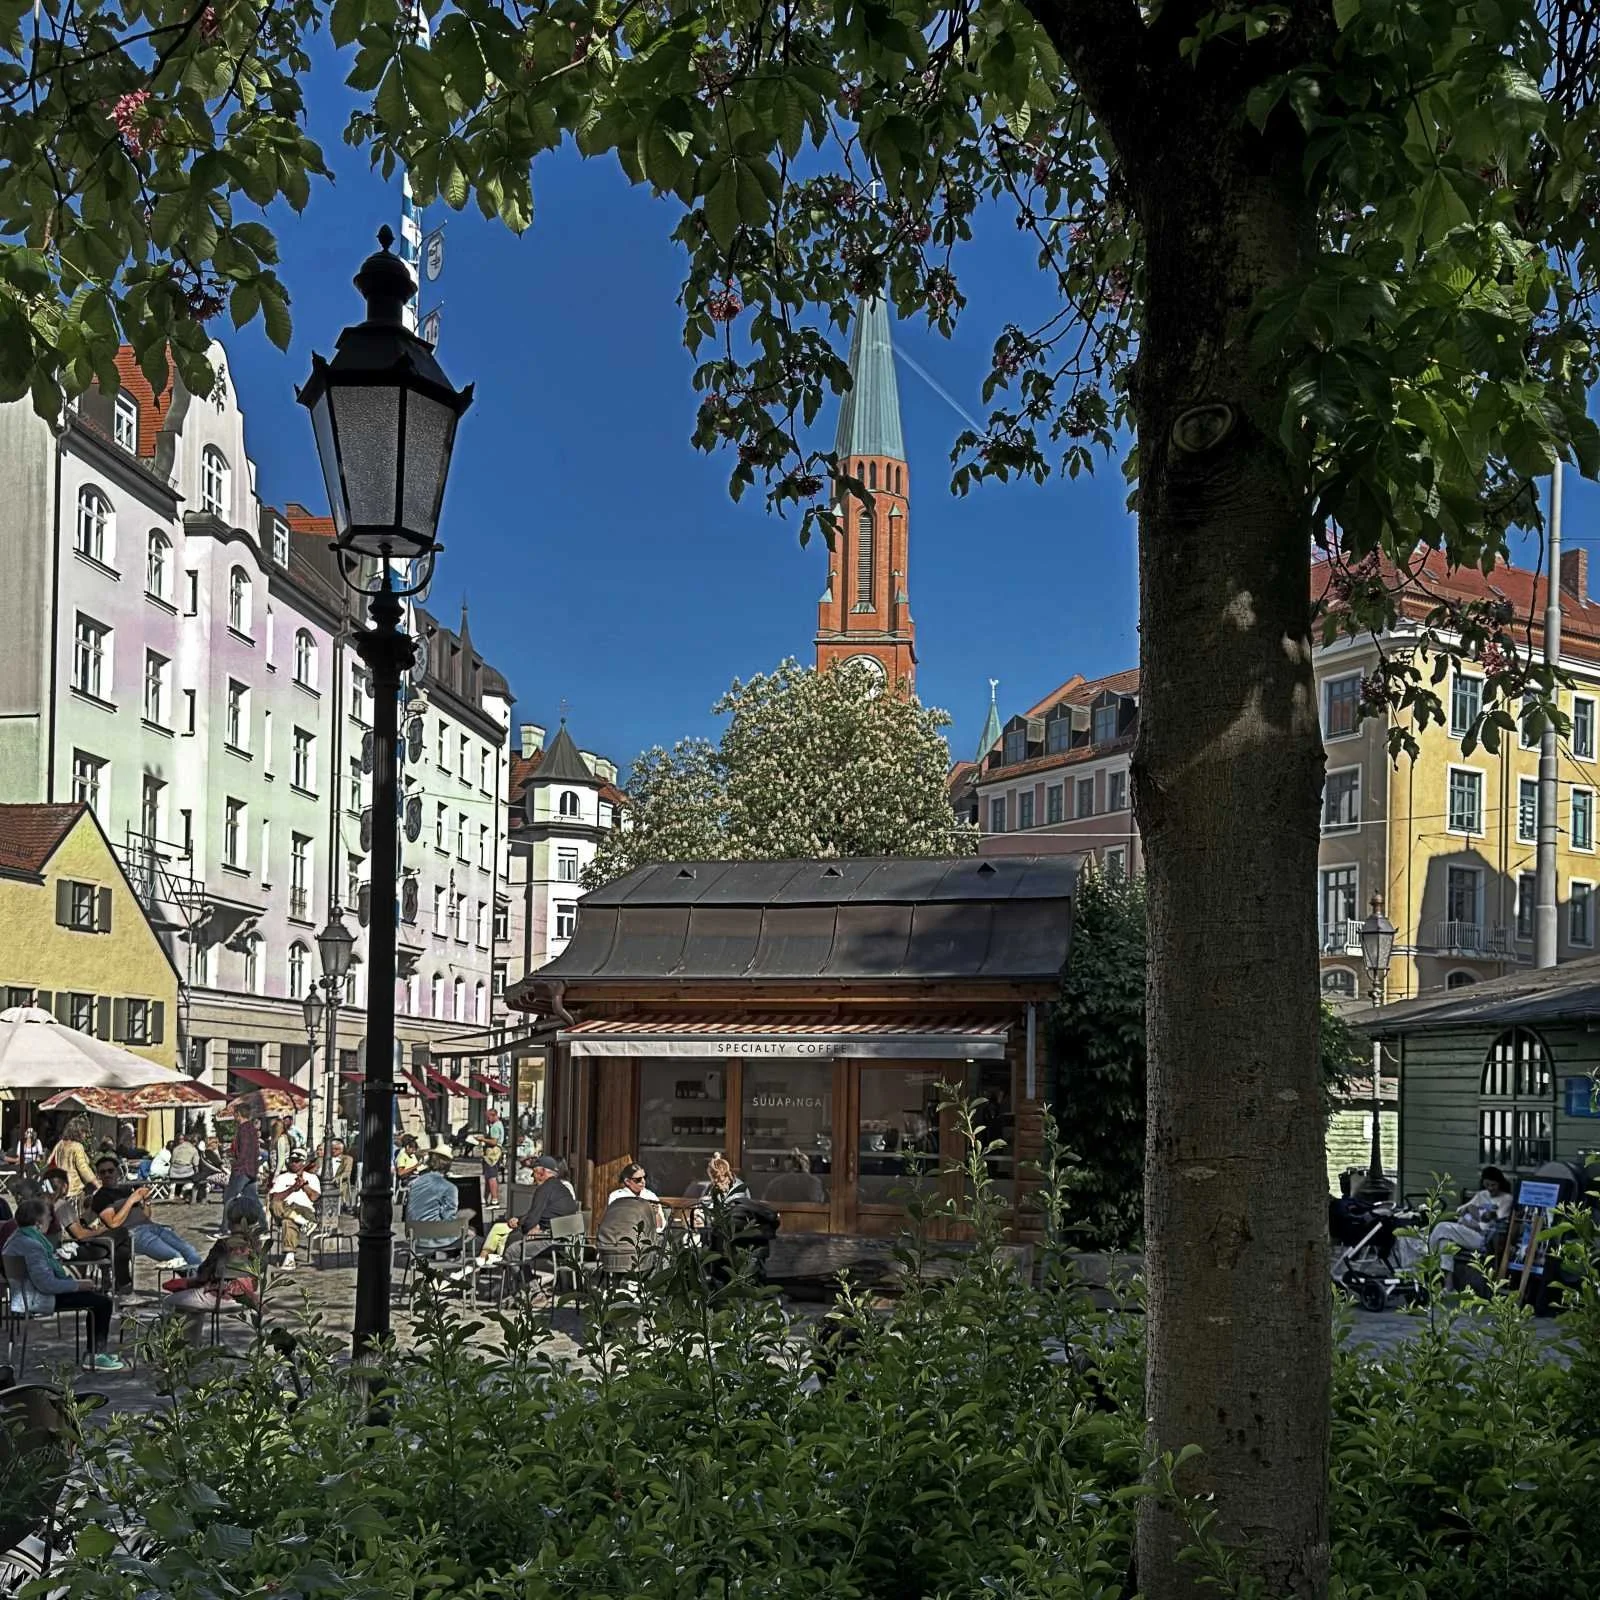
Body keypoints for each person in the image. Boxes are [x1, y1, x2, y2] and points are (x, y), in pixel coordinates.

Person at [3, 1197, 123, 1371]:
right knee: (102, 1302)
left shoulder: (16, 1239)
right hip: (37, 1298)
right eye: (48, 1218)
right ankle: (95, 1355)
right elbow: (47, 1285)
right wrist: (77, 1285)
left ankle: (94, 1353)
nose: (51, 1221)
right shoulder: (32, 1245)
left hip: (24, 1296)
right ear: (38, 1223)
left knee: (95, 1298)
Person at [88, 1155, 201, 1275]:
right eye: (103, 1172)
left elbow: (146, 1216)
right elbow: (113, 1223)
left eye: (110, 1171)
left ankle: (207, 1281)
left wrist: (146, 1201)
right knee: (175, 1257)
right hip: (132, 1233)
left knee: (189, 1250)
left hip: (151, 1227)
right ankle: (196, 1285)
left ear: (117, 1171)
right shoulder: (101, 1197)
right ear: (98, 1175)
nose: (107, 1175)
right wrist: (131, 1200)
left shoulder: (125, 1190)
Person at [164, 1204, 262, 1333]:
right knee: (192, 1300)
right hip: (246, 1298)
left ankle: (183, 1345)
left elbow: (203, 1275)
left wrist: (191, 1282)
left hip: (219, 1297)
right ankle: (191, 1344)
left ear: (231, 1221)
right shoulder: (257, 1245)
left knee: (170, 1301)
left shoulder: (223, 1244)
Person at [1405, 1166, 1515, 1273]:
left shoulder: (1506, 1198)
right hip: (1469, 1231)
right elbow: (1461, 1210)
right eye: (1487, 1184)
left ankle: (1427, 1256)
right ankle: (1448, 1287)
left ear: (1500, 1183)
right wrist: (1470, 1216)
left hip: (1484, 1239)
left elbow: (1493, 1217)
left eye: (1493, 1185)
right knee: (1445, 1244)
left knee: (1442, 1227)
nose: (1490, 1188)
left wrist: (1473, 1216)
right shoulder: (1482, 1195)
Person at [43, 1166, 117, 1280]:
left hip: (49, 1248)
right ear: (64, 1187)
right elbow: (80, 1235)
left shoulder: (40, 1204)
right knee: (114, 1238)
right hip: (65, 1249)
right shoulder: (62, 1205)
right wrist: (101, 1230)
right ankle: (108, 1281)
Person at [404, 1138, 467, 1262]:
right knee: (472, 1235)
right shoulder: (449, 1188)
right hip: (434, 1238)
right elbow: (448, 1217)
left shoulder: (415, 1182)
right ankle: (453, 1271)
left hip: (414, 1237)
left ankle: (439, 1264)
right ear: (448, 1165)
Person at [268, 1149, 321, 1270]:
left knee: (287, 1221)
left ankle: (290, 1257)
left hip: (304, 1210)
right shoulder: (282, 1177)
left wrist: (304, 1185)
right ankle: (304, 1223)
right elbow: (274, 1197)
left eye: (297, 1161)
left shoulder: (312, 1177)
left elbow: (314, 1197)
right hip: (285, 1207)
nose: (293, 1164)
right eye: (291, 1161)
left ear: (304, 1162)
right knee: (275, 1204)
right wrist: (292, 1188)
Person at [221, 1115, 265, 1231]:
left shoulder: (244, 1129)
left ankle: (225, 1229)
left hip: (242, 1170)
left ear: (239, 1114)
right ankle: (263, 1227)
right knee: (253, 1199)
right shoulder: (251, 1130)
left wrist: (236, 1164)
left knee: (229, 1198)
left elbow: (244, 1152)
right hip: (251, 1170)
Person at [603, 1161, 665, 1233]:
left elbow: (659, 1227)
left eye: (644, 1177)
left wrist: (655, 1213)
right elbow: (614, 1222)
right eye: (638, 1179)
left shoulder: (650, 1196)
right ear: (627, 1181)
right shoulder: (617, 1196)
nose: (643, 1181)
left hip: (648, 1239)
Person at [46, 1116, 98, 1199]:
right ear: (78, 1132)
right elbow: (83, 1168)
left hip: (61, 1188)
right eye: (84, 1132)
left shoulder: (60, 1144)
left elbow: (49, 1161)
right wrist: (96, 1183)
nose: (85, 1135)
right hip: (74, 1190)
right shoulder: (77, 1147)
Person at [169, 1132, 203, 1203]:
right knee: (195, 1178)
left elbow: (172, 1161)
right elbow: (196, 1165)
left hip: (174, 1174)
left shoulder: (176, 1148)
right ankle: (186, 1192)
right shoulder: (194, 1150)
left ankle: (176, 1192)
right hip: (186, 1174)